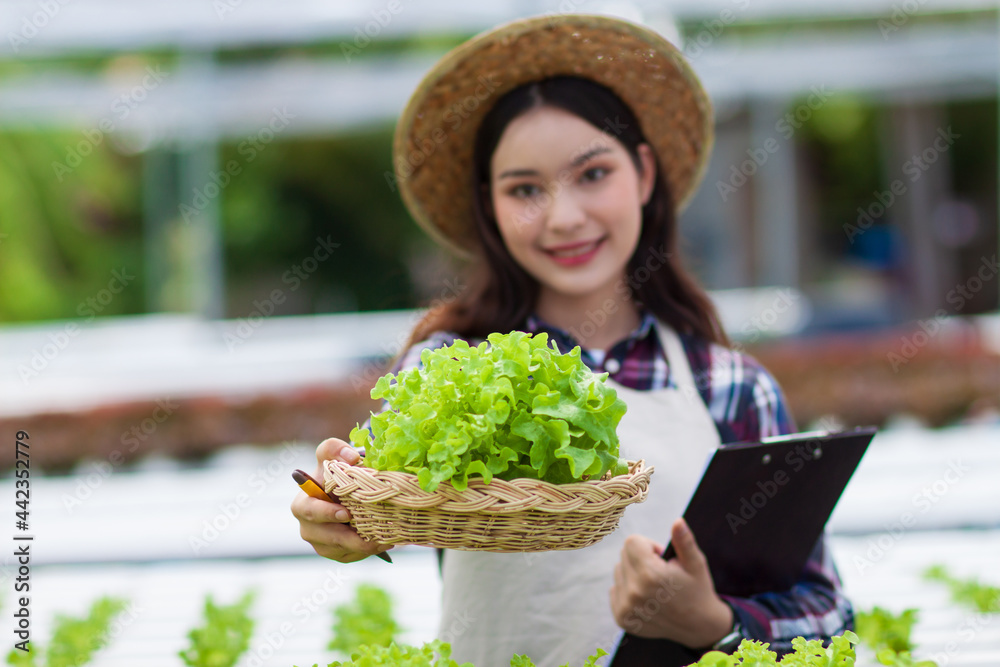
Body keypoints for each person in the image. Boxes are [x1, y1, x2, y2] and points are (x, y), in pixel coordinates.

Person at [291, 13, 854, 667]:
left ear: (643, 174)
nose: (564, 217)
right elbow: (377, 497)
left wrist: (713, 621)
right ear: (490, 208)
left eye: (593, 174)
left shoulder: (730, 388)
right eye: (525, 189)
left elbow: (827, 613)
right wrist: (346, 516)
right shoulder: (445, 365)